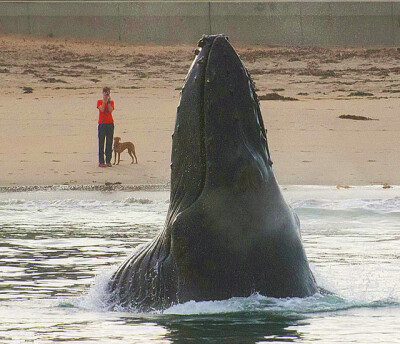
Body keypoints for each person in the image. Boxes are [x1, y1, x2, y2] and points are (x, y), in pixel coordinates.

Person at [97, 87, 115, 167]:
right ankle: (101, 161)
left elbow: (110, 110)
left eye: (108, 93)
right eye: (105, 93)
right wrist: (104, 101)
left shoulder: (111, 102)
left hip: (110, 123)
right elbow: (102, 109)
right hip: (102, 123)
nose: (107, 94)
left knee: (109, 142)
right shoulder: (99, 101)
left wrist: (108, 102)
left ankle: (108, 160)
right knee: (101, 142)